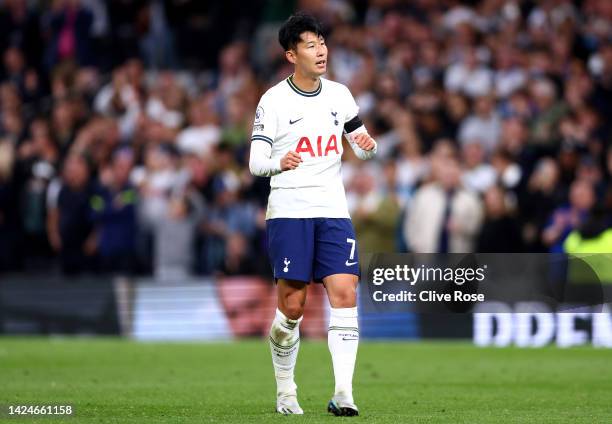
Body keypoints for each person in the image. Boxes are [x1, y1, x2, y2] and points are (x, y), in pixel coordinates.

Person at [248, 13, 376, 417]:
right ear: (291, 54)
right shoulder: (273, 100)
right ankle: (286, 390)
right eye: (310, 44)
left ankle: (343, 394)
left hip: (333, 210)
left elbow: (362, 146)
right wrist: (277, 163)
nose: (321, 50)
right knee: (293, 307)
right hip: (289, 212)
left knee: (345, 292)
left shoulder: (340, 95)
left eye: (322, 42)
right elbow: (254, 162)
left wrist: (367, 146)